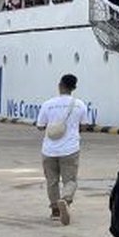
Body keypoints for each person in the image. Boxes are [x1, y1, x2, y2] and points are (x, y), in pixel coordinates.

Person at [35, 73, 87, 225]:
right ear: (74, 88)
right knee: (70, 180)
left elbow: (40, 126)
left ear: (60, 85)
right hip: (70, 149)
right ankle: (65, 199)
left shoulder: (48, 104)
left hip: (49, 150)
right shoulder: (80, 105)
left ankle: (55, 210)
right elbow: (83, 126)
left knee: (52, 181)